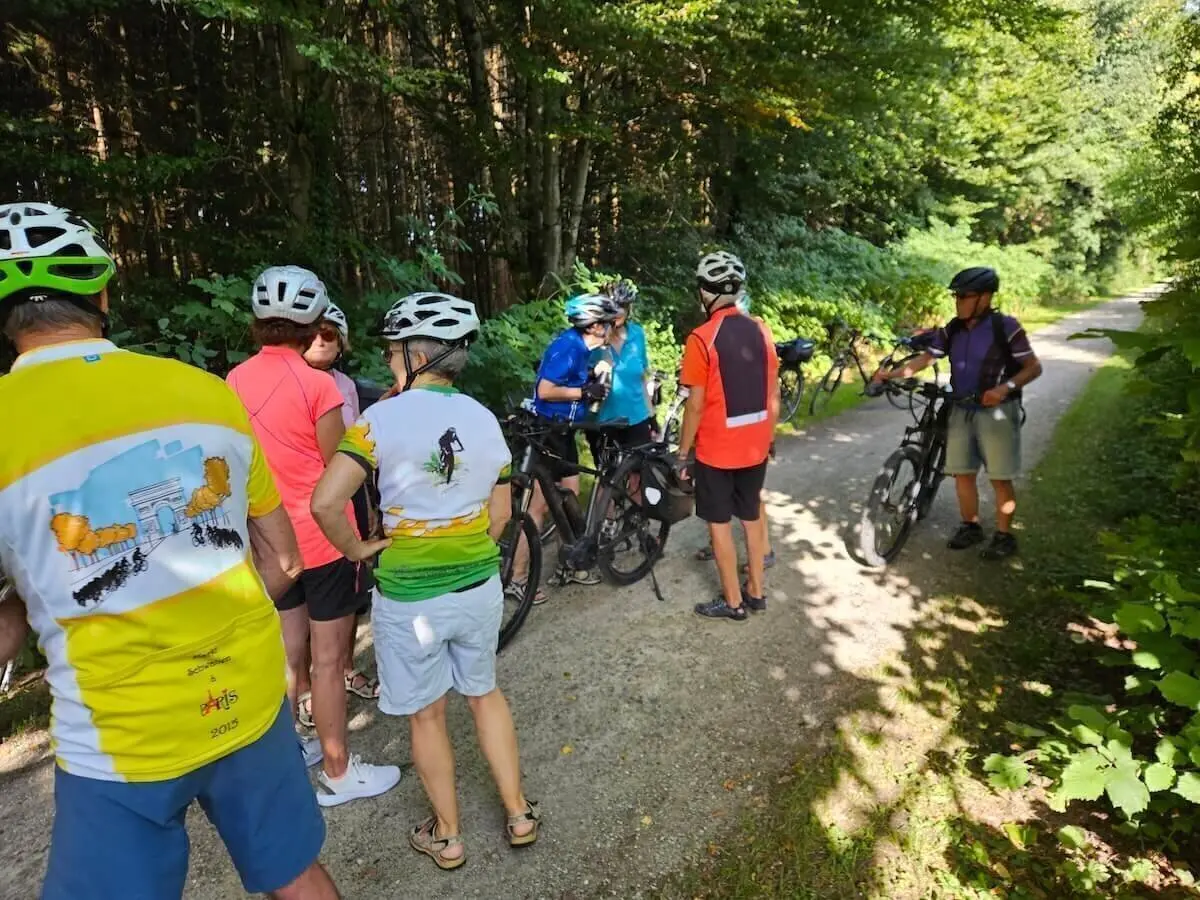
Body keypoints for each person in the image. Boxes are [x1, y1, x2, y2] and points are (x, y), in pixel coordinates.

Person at [0, 202, 339, 899]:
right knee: (296, 876)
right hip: (247, 693)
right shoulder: (204, 392)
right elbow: (281, 557)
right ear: (100, 294)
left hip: (120, 737)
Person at [312, 291, 540, 871]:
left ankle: (449, 835)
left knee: (428, 714)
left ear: (416, 354)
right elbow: (497, 517)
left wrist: (360, 549)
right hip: (477, 588)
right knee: (485, 694)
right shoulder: (485, 419)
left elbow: (325, 503)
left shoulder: (377, 420)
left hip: (411, 595)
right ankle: (518, 814)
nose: (389, 363)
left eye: (392, 353)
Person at [227, 265, 400, 805]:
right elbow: (336, 472)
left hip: (270, 542)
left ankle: (284, 757)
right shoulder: (318, 384)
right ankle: (339, 770)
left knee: (286, 653)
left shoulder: (233, 381)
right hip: (325, 542)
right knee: (328, 663)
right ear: (314, 323)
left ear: (257, 322)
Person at [872, 266, 1041, 559]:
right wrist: (892, 375)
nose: (958, 301)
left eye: (965, 295)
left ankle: (1004, 535)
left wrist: (1004, 388)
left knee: (999, 478)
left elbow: (1033, 367)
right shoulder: (953, 329)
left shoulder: (1006, 327)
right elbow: (926, 359)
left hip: (998, 411)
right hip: (961, 408)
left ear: (985, 297)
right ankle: (970, 526)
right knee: (962, 474)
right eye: (956, 296)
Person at [677, 251, 779, 621]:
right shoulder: (762, 330)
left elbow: (695, 406)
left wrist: (682, 451)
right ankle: (756, 591)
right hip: (755, 446)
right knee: (751, 518)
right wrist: (770, 437)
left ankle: (733, 602)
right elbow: (773, 393)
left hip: (716, 450)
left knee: (719, 525)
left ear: (705, 292)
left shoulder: (701, 339)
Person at [511, 294, 620, 601]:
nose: (612, 330)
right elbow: (546, 390)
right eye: (608, 324)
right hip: (547, 431)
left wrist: (587, 381)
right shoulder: (568, 346)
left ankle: (570, 563)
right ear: (595, 326)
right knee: (539, 507)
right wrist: (584, 390)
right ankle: (517, 577)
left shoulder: (582, 349)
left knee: (569, 498)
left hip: (564, 432)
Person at [303, 301, 380, 703]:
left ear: (341, 342)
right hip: (301, 505)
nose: (319, 340)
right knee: (298, 607)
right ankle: (303, 690)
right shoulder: (292, 381)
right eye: (312, 332)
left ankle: (346, 669)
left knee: (351, 589)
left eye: (329, 333)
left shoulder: (346, 386)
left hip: (349, 499)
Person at [695, 291, 776, 570]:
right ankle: (727, 547)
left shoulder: (748, 331)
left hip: (743, 432)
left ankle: (763, 551)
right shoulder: (743, 333)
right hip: (746, 432)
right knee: (738, 497)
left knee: (747, 498)